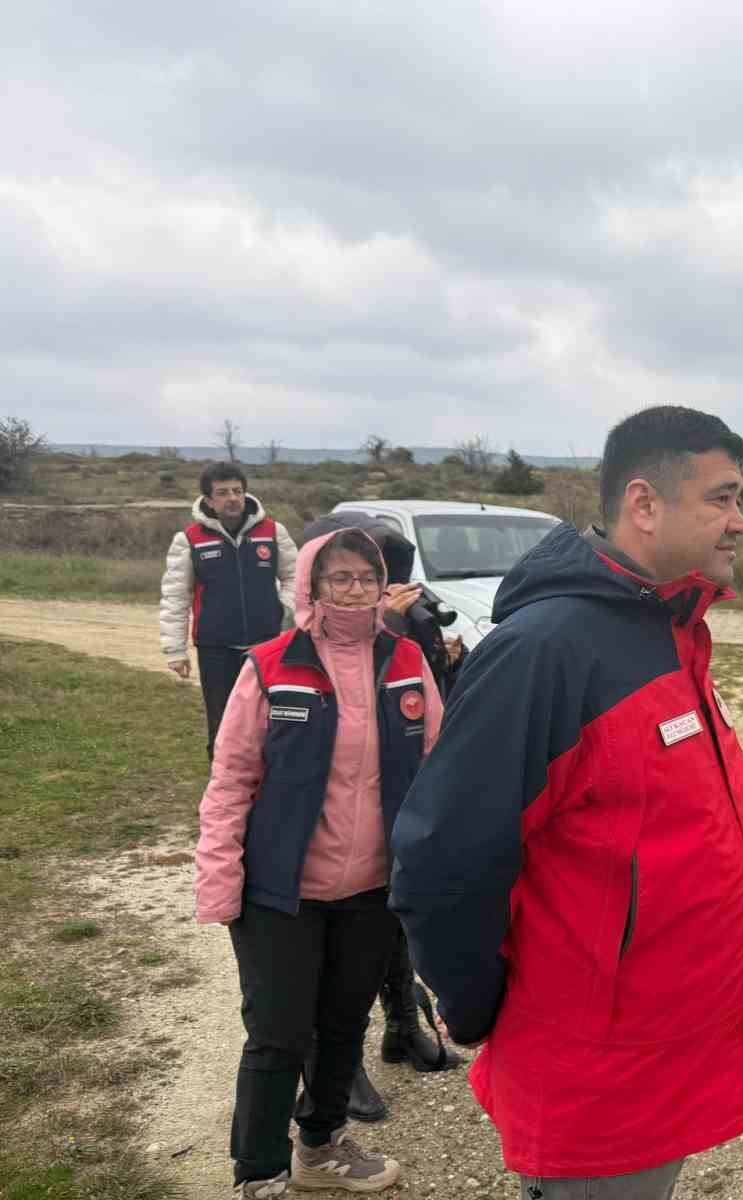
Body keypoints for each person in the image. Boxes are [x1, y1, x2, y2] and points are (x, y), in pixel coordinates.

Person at [391, 406, 743, 1200]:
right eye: (723, 498)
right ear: (644, 505)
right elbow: (442, 861)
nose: (741, 522)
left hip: (657, 1060)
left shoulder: (667, 627)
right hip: (595, 1077)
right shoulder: (546, 652)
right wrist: (476, 1009)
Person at [195, 527, 444, 1199]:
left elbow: (436, 770)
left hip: (371, 887)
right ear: (310, 584)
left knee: (342, 1023)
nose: (355, 589)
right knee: (276, 1035)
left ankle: (320, 1147)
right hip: (280, 891)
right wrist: (220, 880)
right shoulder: (271, 665)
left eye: (368, 576)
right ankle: (259, 1172)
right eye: (339, 577)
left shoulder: (407, 662)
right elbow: (230, 782)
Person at [160, 462, 297, 757]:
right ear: (208, 501)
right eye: (222, 493)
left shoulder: (273, 532)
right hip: (215, 648)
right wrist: (175, 649)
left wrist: (284, 611)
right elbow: (175, 597)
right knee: (222, 723)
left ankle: (266, 789)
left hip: (267, 645)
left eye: (237, 491)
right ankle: (222, 794)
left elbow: (295, 577)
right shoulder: (189, 540)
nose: (232, 498)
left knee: (269, 720)